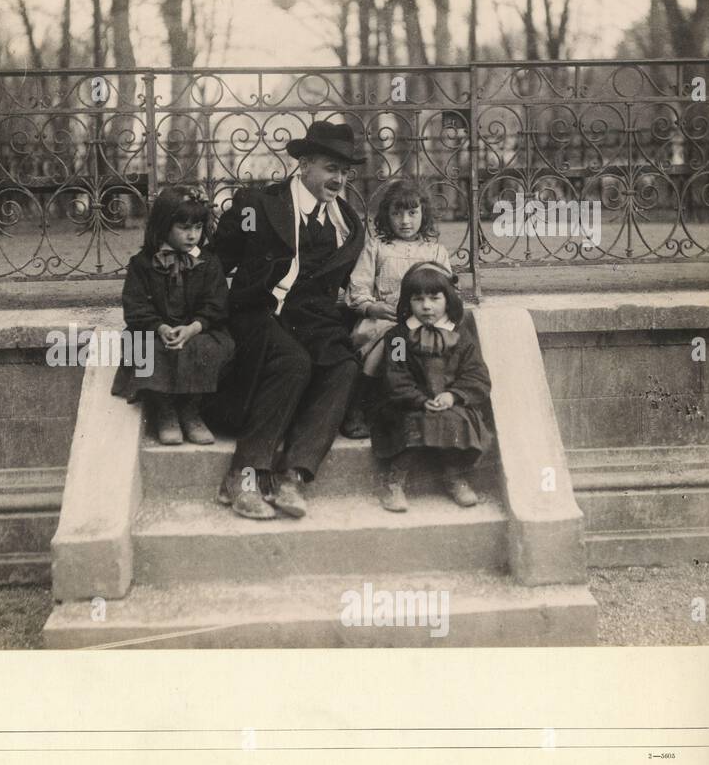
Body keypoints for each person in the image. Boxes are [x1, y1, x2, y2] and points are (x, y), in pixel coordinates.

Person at [205, 120, 367, 519]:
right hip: (259, 311)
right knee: (293, 362)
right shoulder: (257, 205)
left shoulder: (347, 222)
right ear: (305, 164)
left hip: (313, 318)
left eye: (345, 172)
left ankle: (293, 475)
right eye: (331, 168)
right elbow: (213, 263)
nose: (339, 179)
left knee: (344, 364)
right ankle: (242, 477)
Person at [112, 185, 234, 446]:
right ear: (164, 225)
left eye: (198, 228)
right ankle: (165, 410)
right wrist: (160, 327)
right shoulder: (143, 264)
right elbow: (135, 306)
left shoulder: (209, 263)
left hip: (196, 330)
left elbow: (217, 304)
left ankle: (191, 410)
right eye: (184, 228)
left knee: (209, 347)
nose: (192, 236)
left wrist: (194, 327)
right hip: (157, 331)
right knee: (144, 347)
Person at [370, 261, 493, 513]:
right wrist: (417, 399)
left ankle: (454, 475)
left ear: (448, 300)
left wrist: (453, 395)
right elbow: (396, 375)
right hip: (407, 402)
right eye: (418, 299)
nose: (426, 306)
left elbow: (475, 374)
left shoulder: (459, 336)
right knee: (414, 421)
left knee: (456, 421)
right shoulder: (399, 337)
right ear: (408, 302)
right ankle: (395, 480)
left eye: (434, 298)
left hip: (449, 402)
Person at [341, 179, 456, 439]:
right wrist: (372, 307)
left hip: (424, 321)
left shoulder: (435, 251)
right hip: (386, 320)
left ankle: (418, 410)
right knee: (390, 342)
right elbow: (357, 289)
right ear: (386, 216)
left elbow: (447, 293)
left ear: (423, 214)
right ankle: (359, 405)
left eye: (412, 213)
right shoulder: (377, 248)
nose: (405, 221)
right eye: (397, 213)